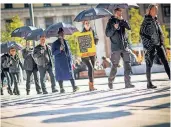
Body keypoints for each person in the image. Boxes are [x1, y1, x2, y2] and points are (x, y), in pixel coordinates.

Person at [140, 4, 170, 89]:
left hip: (158, 45)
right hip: (150, 46)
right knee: (149, 64)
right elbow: (142, 34)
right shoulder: (146, 21)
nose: (156, 11)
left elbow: (159, 32)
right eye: (154, 10)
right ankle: (149, 83)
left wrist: (162, 42)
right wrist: (148, 45)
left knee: (165, 61)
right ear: (149, 10)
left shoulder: (155, 20)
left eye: (156, 10)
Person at [105, 8, 135, 89]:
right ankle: (110, 81)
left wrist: (123, 20)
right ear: (115, 13)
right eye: (118, 13)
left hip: (124, 46)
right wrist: (114, 28)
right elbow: (107, 34)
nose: (120, 14)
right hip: (116, 47)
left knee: (127, 64)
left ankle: (128, 83)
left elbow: (129, 27)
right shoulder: (110, 22)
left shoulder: (122, 21)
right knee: (115, 65)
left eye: (121, 13)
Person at [52, 28, 79, 93]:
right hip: (59, 62)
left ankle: (74, 87)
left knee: (70, 73)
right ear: (58, 34)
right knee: (60, 74)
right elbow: (53, 53)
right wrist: (59, 50)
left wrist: (72, 60)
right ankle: (61, 88)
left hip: (67, 60)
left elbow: (69, 51)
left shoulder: (66, 41)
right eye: (61, 33)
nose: (63, 34)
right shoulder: (55, 43)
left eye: (63, 33)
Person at [82, 20, 99, 91]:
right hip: (85, 54)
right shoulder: (81, 33)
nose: (87, 24)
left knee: (92, 69)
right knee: (90, 67)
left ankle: (92, 86)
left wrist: (95, 38)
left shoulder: (93, 31)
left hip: (92, 53)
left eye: (88, 23)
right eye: (86, 23)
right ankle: (91, 85)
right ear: (84, 25)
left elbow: (96, 42)